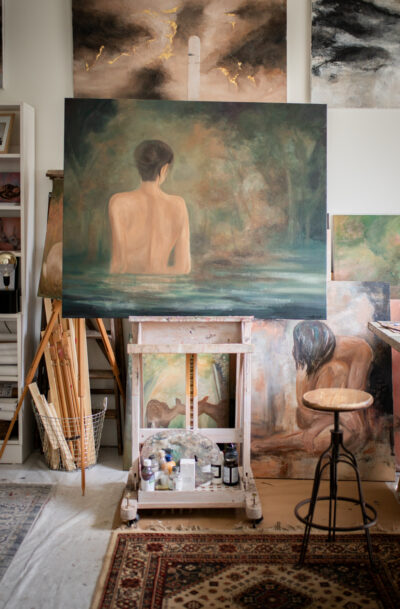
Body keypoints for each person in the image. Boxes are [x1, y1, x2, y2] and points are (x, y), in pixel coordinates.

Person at [252, 321, 373, 456]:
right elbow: (305, 411)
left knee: (345, 432)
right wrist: (316, 425)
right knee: (335, 430)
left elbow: (352, 404)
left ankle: (273, 444)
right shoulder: (306, 354)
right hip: (316, 413)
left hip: (338, 411)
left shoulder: (359, 350)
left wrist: (318, 427)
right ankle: (278, 443)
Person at [109, 139, 191, 275]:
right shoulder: (178, 205)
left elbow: (119, 264)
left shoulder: (119, 202)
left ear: (138, 167)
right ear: (164, 169)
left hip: (129, 284)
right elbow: (183, 268)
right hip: (164, 285)